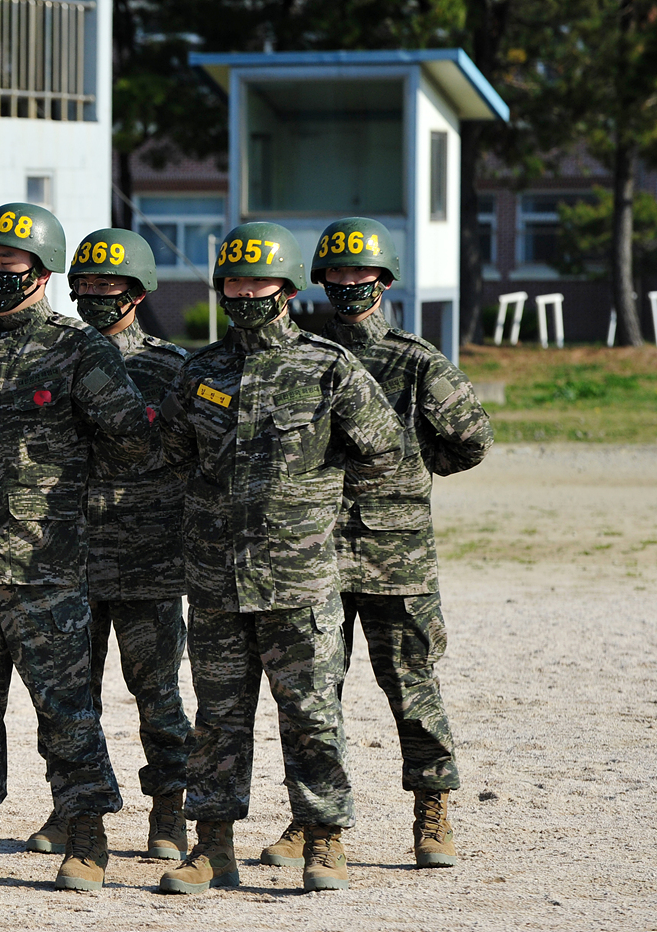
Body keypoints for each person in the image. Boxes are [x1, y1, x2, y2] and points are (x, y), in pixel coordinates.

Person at [0, 203, 156, 892]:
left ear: (42, 273)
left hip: (46, 570)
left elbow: (131, 439)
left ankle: (86, 836)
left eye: (9, 263)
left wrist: (56, 485)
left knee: (67, 710)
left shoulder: (80, 350)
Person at [155, 222, 404, 894]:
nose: (243, 293)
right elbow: (171, 454)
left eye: (256, 281)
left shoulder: (328, 367)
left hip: (299, 585)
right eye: (232, 281)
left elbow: (384, 451)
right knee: (216, 722)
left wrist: (319, 517)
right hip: (215, 586)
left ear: (288, 288)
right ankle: (212, 848)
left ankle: (324, 843)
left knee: (313, 719)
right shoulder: (199, 371)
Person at [261, 217, 492, 870]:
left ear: (384, 279)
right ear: (319, 280)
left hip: (397, 560)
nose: (348, 283)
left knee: (412, 691)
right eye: (336, 272)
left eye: (360, 272)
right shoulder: (301, 356)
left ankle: (432, 811)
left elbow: (471, 438)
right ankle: (311, 821)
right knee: (313, 699)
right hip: (315, 557)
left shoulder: (416, 361)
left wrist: (416, 470)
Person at [24, 229, 192, 862]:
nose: (94, 294)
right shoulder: (51, 357)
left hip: (148, 560)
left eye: (109, 283)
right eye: (85, 283)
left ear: (139, 290)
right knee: (69, 698)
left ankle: (170, 811)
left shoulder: (171, 368)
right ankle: (74, 807)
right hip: (66, 559)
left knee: (158, 695)